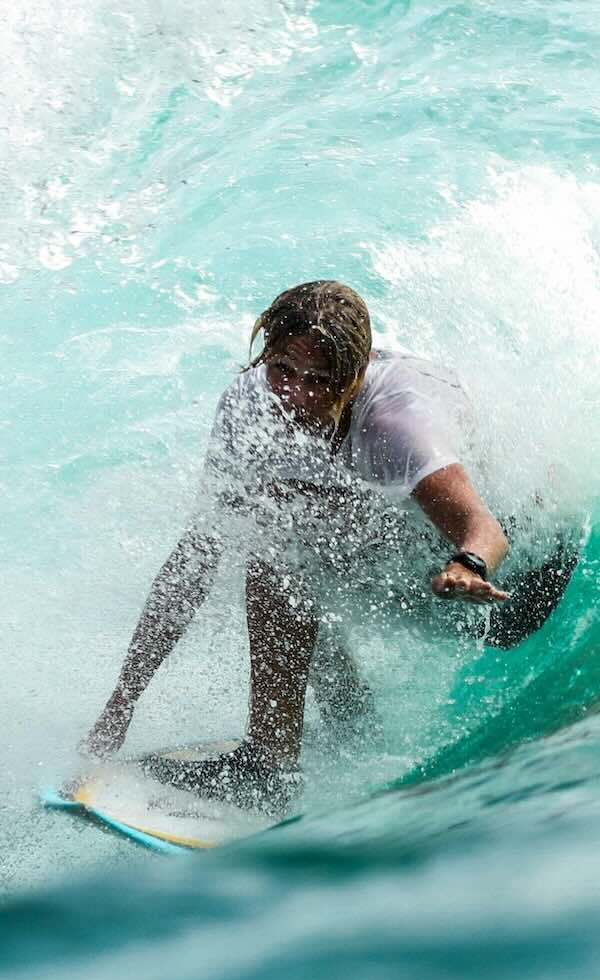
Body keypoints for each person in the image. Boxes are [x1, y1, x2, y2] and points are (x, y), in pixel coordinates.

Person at [83, 280, 578, 815]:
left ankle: (289, 755)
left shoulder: (397, 422)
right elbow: (195, 560)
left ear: (355, 375)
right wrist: (123, 701)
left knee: (287, 542)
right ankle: (317, 741)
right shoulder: (249, 405)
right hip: (413, 557)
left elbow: (485, 528)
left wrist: (467, 565)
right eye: (282, 369)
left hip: (514, 589)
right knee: (276, 531)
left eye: (319, 380)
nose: (294, 394)